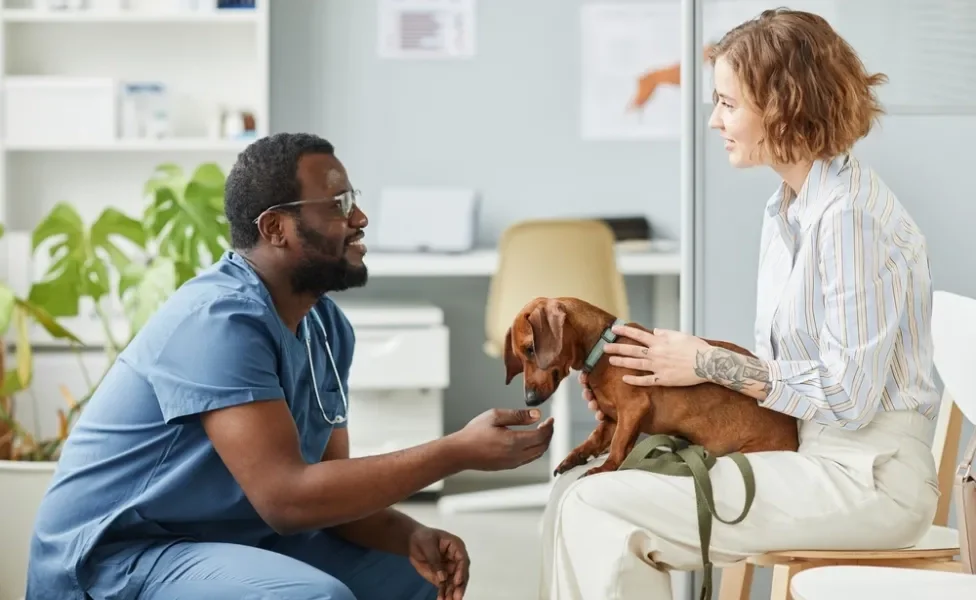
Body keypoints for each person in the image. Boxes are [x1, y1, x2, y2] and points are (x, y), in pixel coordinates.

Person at [27, 132, 555, 600]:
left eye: (355, 201)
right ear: (276, 227)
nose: (360, 218)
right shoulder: (218, 321)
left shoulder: (326, 326)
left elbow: (328, 487)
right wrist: (455, 451)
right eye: (338, 204)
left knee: (413, 573)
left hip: (228, 538)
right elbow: (287, 499)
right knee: (310, 596)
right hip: (119, 560)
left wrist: (405, 534)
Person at [538, 9, 942, 600]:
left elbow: (850, 398)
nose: (713, 121)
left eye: (728, 104)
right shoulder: (790, 210)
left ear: (782, 106)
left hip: (868, 481)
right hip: (814, 455)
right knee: (574, 486)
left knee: (601, 508)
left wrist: (705, 363)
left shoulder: (851, 220)